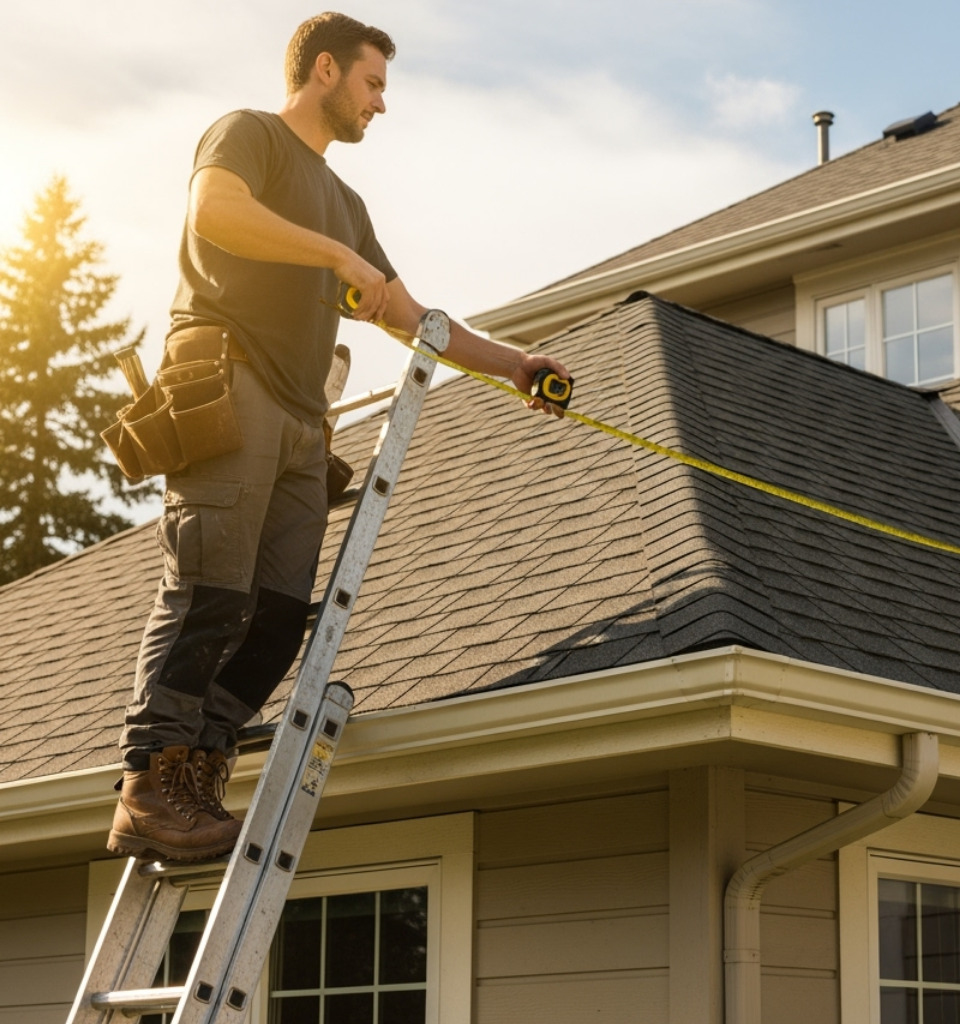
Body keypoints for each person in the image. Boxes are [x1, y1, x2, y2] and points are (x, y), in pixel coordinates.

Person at [111, 12, 570, 862]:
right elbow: (214, 213)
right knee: (210, 591)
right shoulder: (247, 135)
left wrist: (514, 363)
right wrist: (332, 258)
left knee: (278, 616)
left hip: (299, 420)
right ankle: (148, 781)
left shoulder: (346, 202)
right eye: (373, 84)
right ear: (325, 71)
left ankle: (198, 769)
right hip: (227, 379)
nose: (381, 105)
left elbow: (405, 313)